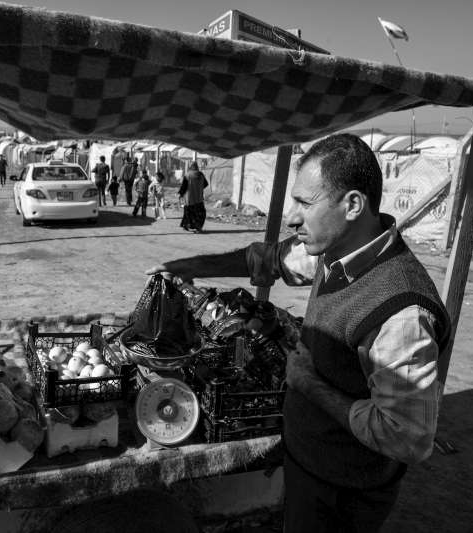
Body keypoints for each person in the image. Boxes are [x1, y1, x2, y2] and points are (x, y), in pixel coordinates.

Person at [146, 134, 451, 533]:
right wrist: (187, 267)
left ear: (353, 205)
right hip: (309, 462)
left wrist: (309, 385)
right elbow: (268, 260)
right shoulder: (336, 249)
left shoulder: (402, 313)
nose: (292, 217)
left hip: (343, 490)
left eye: (305, 204)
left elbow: (406, 438)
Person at [178, 161, 208, 232]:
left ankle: (187, 225)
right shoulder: (201, 174)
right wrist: (199, 188)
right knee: (200, 213)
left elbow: (184, 187)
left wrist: (181, 194)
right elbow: (206, 184)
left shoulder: (188, 175)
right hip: (199, 198)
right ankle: (197, 226)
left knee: (188, 213)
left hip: (189, 198)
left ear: (190, 167)